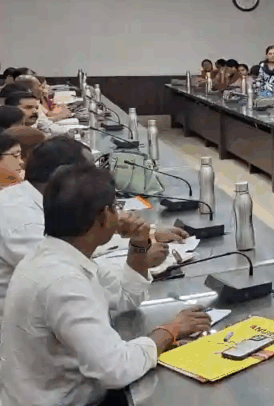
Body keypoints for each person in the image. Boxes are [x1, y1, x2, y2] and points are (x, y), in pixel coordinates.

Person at [0, 164, 212, 406]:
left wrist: (139, 242)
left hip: (66, 405)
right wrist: (170, 331)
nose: (122, 215)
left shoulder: (58, 255)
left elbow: (126, 297)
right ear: (102, 217)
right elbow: (115, 369)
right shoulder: (62, 281)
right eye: (115, 207)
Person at [0, 136, 185, 323]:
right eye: (89, 173)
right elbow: (83, 278)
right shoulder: (22, 223)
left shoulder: (32, 200)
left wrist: (143, 237)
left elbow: (82, 247)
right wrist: (140, 259)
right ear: (62, 177)